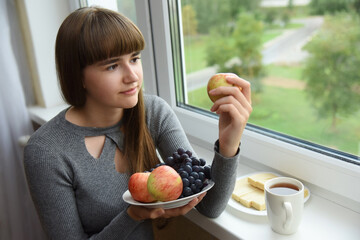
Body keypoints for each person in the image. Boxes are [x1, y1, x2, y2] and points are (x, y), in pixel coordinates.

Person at [24, 6, 252, 240]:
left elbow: (210, 206)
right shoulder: (46, 151)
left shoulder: (153, 112)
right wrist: (133, 215)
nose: (132, 76)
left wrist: (228, 143)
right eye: (112, 65)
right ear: (78, 75)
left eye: (134, 58)